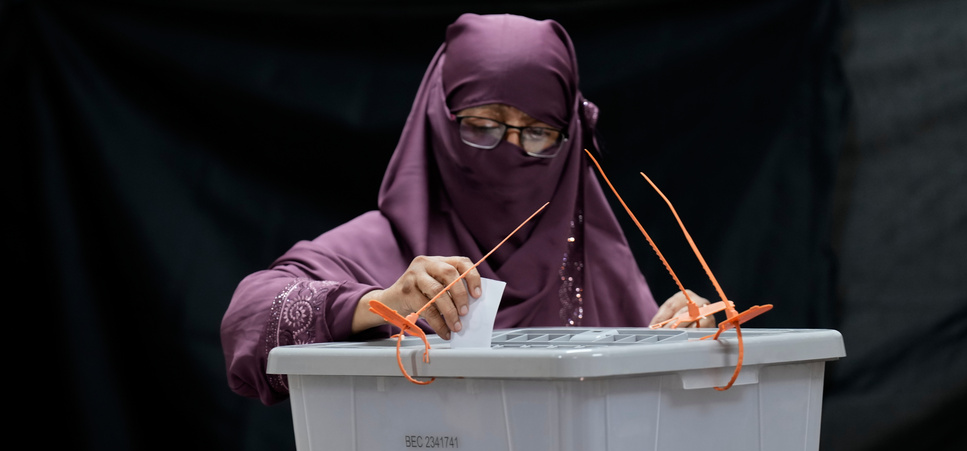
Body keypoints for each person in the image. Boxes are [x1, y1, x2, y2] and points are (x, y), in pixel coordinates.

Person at [221, 13, 710, 407]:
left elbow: (641, 416)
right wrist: (378, 302)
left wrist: (674, 341)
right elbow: (247, 320)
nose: (511, 151)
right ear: (439, 119)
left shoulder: (589, 262)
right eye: (483, 125)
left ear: (570, 138)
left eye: (537, 132)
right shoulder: (379, 248)